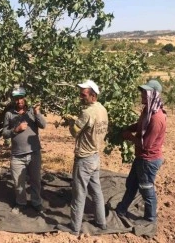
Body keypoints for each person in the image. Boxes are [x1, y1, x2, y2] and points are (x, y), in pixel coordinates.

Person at [57, 79, 108, 236]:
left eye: (83, 95)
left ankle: (74, 228)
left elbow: (74, 132)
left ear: (93, 95)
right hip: (95, 156)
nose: (81, 97)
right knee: (96, 191)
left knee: (79, 194)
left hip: (84, 158)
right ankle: (101, 222)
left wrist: (71, 121)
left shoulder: (87, 113)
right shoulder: (102, 109)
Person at [115, 79, 167, 226]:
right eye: (142, 91)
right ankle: (122, 209)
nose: (142, 94)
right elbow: (140, 125)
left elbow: (147, 145)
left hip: (148, 160)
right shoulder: (148, 111)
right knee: (131, 184)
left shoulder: (156, 119)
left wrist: (129, 137)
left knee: (146, 189)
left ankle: (150, 218)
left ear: (153, 94)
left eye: (145, 92)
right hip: (141, 158)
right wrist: (127, 128)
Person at [2, 86, 46, 214]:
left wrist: (37, 112)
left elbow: (43, 125)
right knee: (18, 183)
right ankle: (21, 203)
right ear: (13, 99)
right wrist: (16, 129)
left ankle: (36, 202)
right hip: (17, 155)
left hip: (34, 154)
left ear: (25, 98)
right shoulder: (9, 114)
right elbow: (5, 133)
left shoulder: (32, 112)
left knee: (36, 180)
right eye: (16, 98)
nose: (19, 101)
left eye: (21, 97)